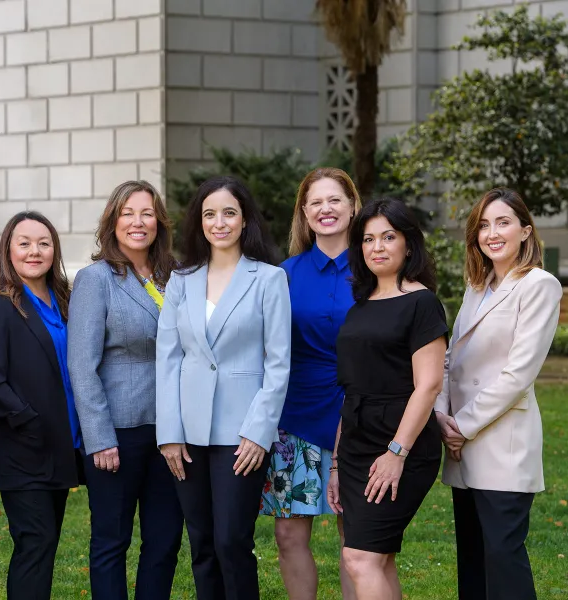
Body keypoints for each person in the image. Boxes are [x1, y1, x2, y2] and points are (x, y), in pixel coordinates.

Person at [156, 175, 291, 600]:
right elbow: (168, 360)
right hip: (188, 435)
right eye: (209, 214)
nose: (219, 222)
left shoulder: (269, 279)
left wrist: (258, 432)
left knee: (232, 542)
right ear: (199, 221)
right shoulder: (182, 280)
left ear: (245, 218)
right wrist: (170, 435)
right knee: (202, 546)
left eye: (229, 212)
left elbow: (278, 364)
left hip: (242, 434)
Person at [434, 188, 561, 600]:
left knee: (503, 557)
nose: (492, 233)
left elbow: (517, 374)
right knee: (472, 558)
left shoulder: (540, 285)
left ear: (526, 231)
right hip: (462, 443)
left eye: (503, 222)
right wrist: (442, 417)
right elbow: (451, 357)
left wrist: (462, 427)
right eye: (484, 225)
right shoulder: (478, 285)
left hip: (501, 442)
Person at [68, 181, 183, 600]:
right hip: (118, 432)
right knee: (111, 542)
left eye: (147, 213)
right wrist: (99, 438)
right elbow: (81, 365)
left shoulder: (178, 276)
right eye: (128, 213)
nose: (138, 222)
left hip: (172, 430)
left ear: (159, 222)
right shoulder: (95, 280)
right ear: (113, 222)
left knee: (166, 539)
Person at [329, 198, 447, 600]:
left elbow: (428, 385)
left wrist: (397, 453)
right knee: (373, 559)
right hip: (357, 443)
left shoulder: (422, 303)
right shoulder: (359, 307)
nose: (377, 247)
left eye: (388, 237)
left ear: (408, 245)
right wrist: (336, 462)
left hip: (402, 441)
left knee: (360, 559)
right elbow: (353, 388)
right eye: (367, 239)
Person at [259, 168, 361, 600]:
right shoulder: (283, 275)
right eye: (316, 202)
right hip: (295, 418)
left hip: (360, 417)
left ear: (353, 206)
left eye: (335, 199)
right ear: (304, 212)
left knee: (355, 539)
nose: (326, 209)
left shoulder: (376, 267)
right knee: (288, 534)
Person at [0, 211, 81, 600]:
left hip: (62, 445)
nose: (35, 251)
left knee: (45, 544)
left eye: (44, 243)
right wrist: (28, 421)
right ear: (9, 249)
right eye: (25, 243)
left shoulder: (64, 299)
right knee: (35, 542)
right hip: (23, 447)